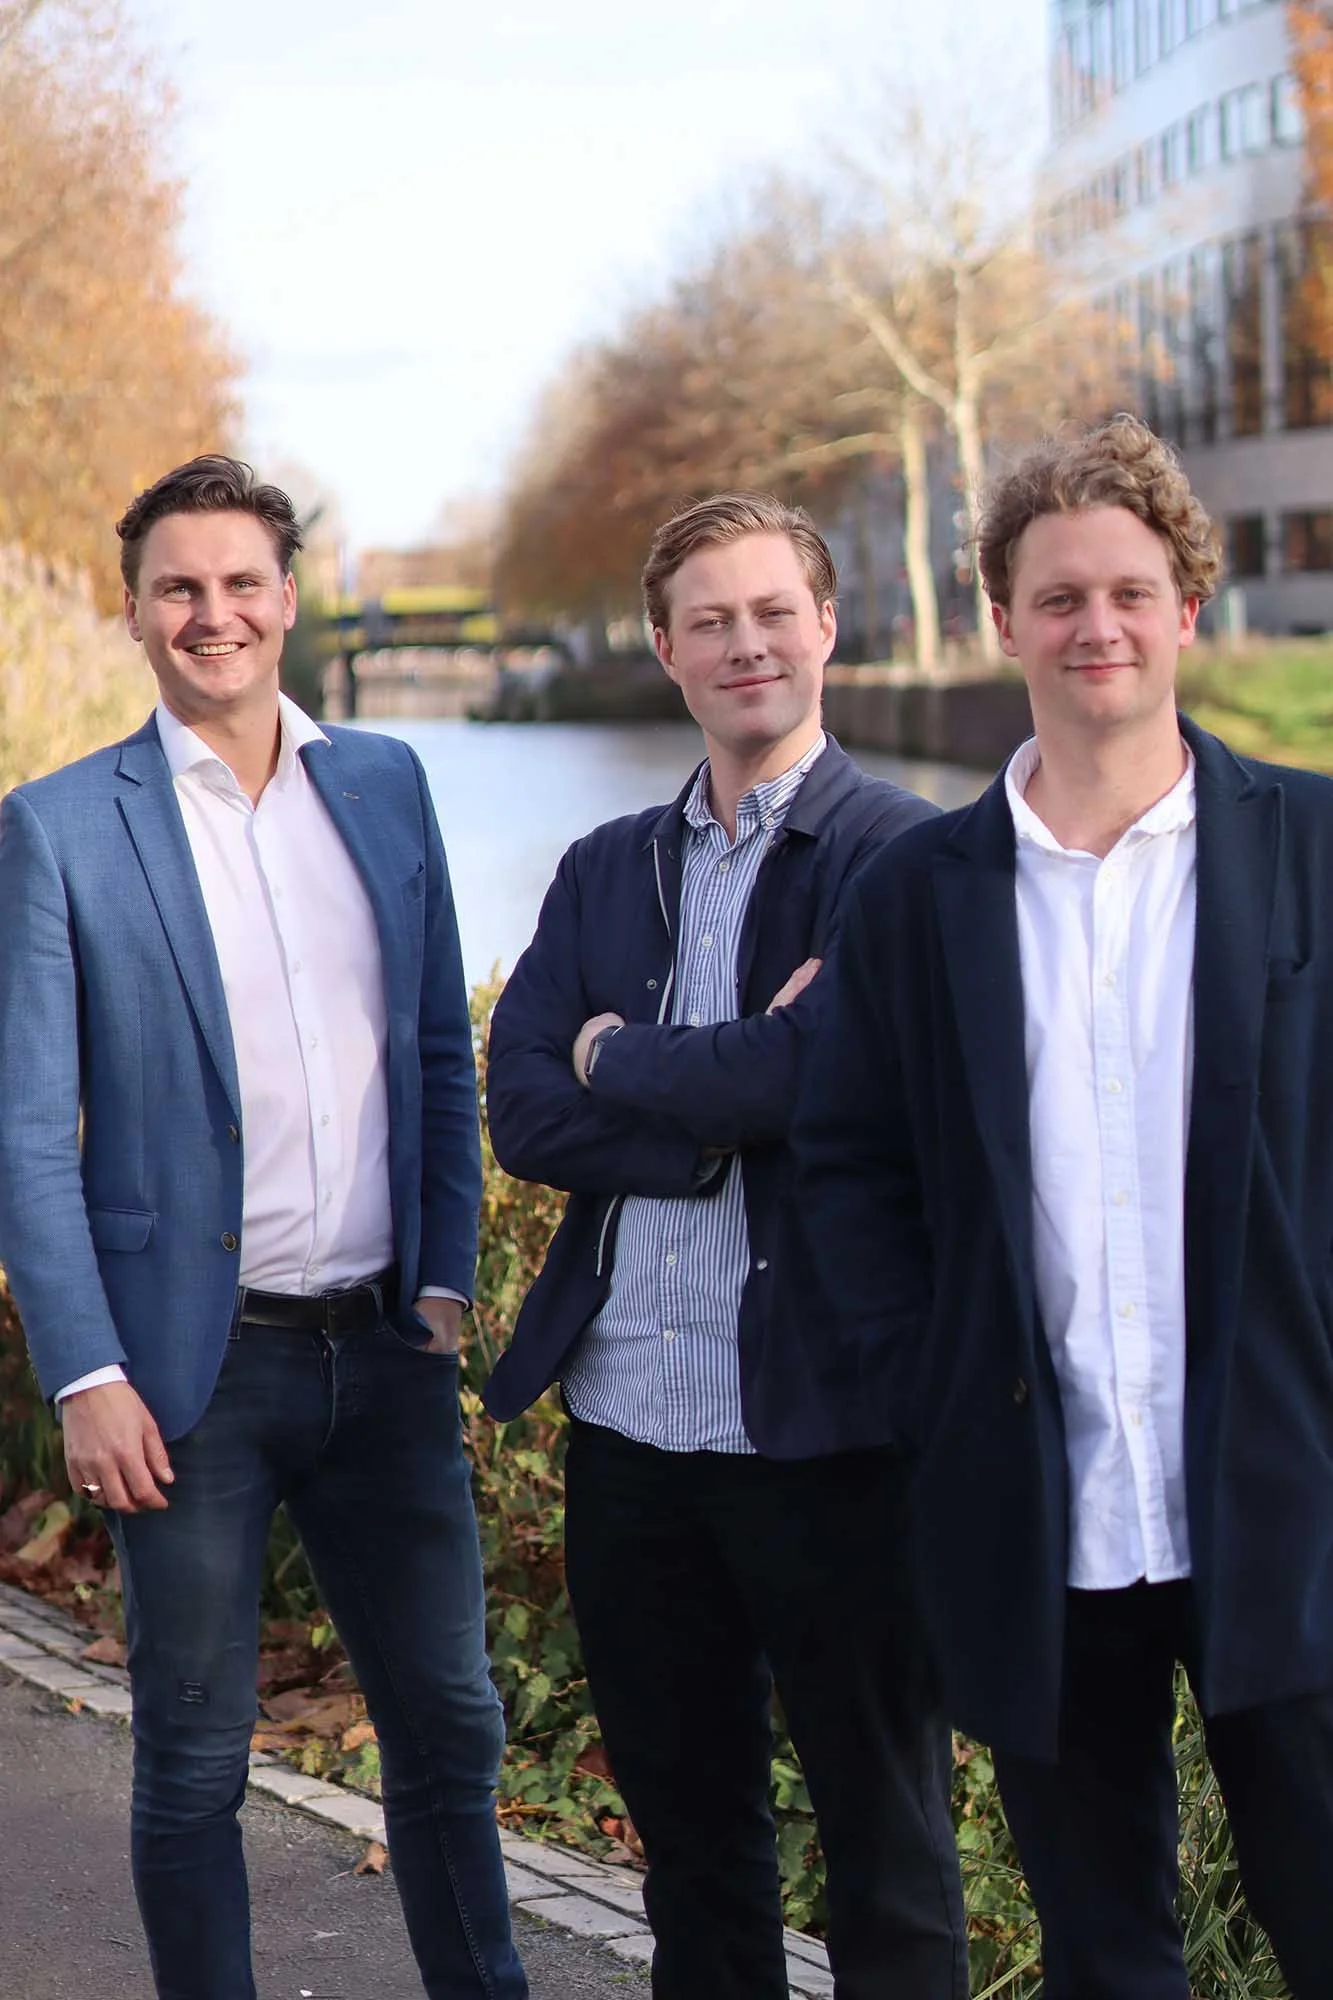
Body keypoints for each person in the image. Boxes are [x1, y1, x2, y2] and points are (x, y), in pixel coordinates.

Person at [783, 413, 1333, 2000]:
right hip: (1039, 1506)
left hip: (1283, 1499)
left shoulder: (1310, 851)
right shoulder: (915, 895)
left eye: (1132, 591)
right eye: (1060, 596)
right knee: (1108, 1958)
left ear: (1187, 608)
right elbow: (851, 1166)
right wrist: (930, 1390)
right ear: (1004, 618)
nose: (1098, 625)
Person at [0, 456, 526, 2000]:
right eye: (180, 587)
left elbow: (442, 1048)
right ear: (136, 611)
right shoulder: (59, 827)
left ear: (288, 598)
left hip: (383, 1352)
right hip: (187, 1378)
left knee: (451, 1726)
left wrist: (441, 1284)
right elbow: (29, 1132)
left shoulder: (384, 784)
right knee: (193, 1758)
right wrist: (85, 1370)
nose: (212, 614)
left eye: (242, 583)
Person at [483, 494, 968, 2000]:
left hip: (830, 1437)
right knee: (693, 1854)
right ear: (664, 649)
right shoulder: (604, 866)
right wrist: (723, 1097)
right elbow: (520, 1107)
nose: (745, 643)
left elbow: (827, 1083)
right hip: (632, 1436)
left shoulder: (908, 863)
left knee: (888, 1858)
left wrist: (618, 1052)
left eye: (773, 612)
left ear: (828, 628)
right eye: (710, 619)